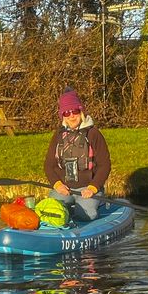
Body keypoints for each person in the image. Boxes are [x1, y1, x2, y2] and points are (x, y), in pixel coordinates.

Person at [44, 87, 111, 222]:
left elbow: (105, 165)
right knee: (52, 212)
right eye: (66, 113)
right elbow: (49, 165)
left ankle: (99, 204)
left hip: (88, 188)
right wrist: (57, 185)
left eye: (74, 111)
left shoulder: (93, 134)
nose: (71, 116)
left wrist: (93, 188)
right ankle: (67, 212)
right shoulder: (58, 135)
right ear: (62, 116)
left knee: (85, 215)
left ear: (81, 111)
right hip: (65, 188)